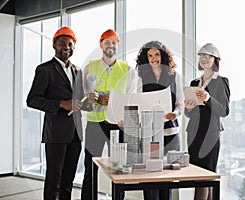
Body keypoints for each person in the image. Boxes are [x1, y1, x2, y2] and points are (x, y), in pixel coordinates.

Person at [26, 26, 86, 200]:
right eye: (62, 44)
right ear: (54, 45)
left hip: (76, 133)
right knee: (54, 180)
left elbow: (78, 100)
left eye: (70, 44)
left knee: (68, 180)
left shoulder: (77, 70)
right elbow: (32, 100)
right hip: (56, 133)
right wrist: (61, 104)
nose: (66, 47)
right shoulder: (45, 70)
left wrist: (89, 99)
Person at [81, 29, 136, 200]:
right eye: (107, 42)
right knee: (90, 167)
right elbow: (82, 97)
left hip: (117, 125)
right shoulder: (90, 67)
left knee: (118, 168)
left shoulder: (128, 70)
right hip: (95, 124)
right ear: (101, 45)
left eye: (113, 42)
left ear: (117, 46)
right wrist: (95, 99)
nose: (110, 45)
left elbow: (131, 99)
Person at [136, 40, 184, 200]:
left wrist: (175, 114)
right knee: (150, 178)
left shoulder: (174, 76)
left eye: (157, 54)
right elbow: (137, 104)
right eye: (150, 55)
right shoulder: (141, 78)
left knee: (167, 178)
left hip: (170, 133)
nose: (153, 58)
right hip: (150, 136)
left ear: (163, 56)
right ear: (146, 58)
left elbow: (180, 105)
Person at [184, 43, 230, 200]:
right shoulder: (194, 83)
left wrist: (209, 98)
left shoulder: (221, 81)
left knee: (205, 177)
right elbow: (189, 114)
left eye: (207, 56)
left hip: (210, 134)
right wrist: (188, 108)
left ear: (215, 59)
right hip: (193, 134)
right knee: (200, 175)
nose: (203, 59)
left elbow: (224, 111)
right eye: (201, 56)